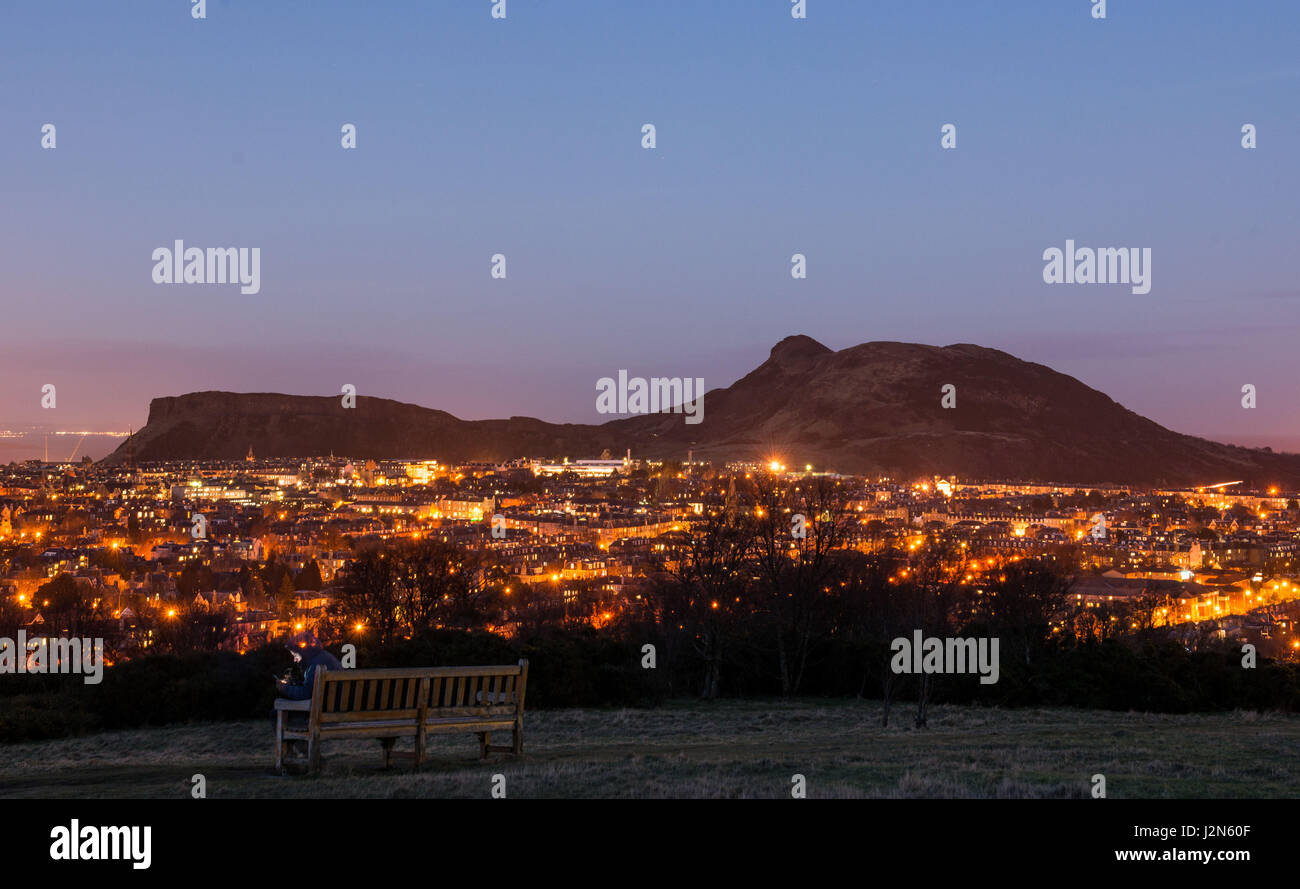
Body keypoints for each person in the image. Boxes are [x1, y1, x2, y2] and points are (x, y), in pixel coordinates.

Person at [274, 630, 342, 763]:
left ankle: (297, 755)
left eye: (295, 655)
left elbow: (306, 694)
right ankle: (301, 753)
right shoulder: (326, 657)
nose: (294, 659)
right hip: (337, 710)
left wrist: (285, 689)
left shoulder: (315, 665)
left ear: (302, 651)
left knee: (275, 713)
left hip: (322, 714)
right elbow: (312, 688)